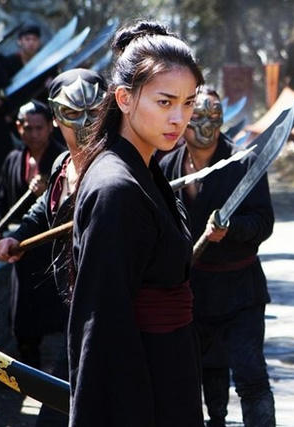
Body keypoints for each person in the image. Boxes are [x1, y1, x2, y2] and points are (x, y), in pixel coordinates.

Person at [69, 21, 204, 426]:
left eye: (189, 103)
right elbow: (102, 327)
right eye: (165, 102)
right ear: (124, 98)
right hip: (143, 390)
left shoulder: (143, 170)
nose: (179, 118)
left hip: (169, 372)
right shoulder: (116, 188)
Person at [0, 68, 107, 427]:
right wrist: (16, 237)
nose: (85, 124)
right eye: (73, 113)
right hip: (74, 301)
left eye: (94, 112)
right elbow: (42, 209)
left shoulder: (116, 166)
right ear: (57, 117)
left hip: (109, 306)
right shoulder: (62, 164)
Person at [160, 88, 276, 427]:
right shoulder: (166, 166)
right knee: (204, 370)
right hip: (191, 288)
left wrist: (232, 228)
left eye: (213, 117)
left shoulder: (244, 163)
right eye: (197, 116)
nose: (206, 125)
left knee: (251, 375)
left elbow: (263, 223)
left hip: (241, 290)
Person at [0, 100, 64, 367]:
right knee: (24, 323)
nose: (33, 134)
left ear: (50, 127)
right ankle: (30, 367)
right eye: (27, 128)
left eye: (38, 128)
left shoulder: (61, 160)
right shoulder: (13, 159)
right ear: (19, 128)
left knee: (56, 317)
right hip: (20, 251)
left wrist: (49, 190)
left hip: (50, 251)